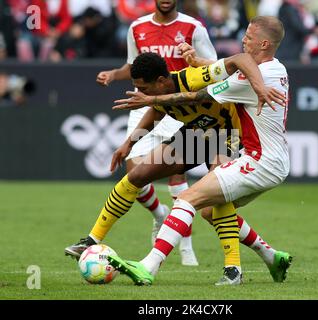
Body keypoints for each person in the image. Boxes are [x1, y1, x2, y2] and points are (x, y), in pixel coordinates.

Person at [107, 16, 292, 286]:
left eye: (249, 37)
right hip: (273, 162)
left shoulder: (254, 77)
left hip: (259, 162)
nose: (243, 40)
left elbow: (200, 96)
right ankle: (272, 257)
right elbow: (228, 67)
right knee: (211, 210)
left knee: (187, 199)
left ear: (264, 43)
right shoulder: (276, 69)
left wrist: (152, 100)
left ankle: (149, 266)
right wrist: (198, 63)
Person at [65, 0, 218, 266]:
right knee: (134, 172)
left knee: (177, 173)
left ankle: (186, 247)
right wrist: (114, 74)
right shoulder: (137, 27)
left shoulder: (194, 27)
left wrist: (193, 61)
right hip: (148, 102)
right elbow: (132, 66)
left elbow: (214, 68)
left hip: (183, 104)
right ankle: (159, 215)